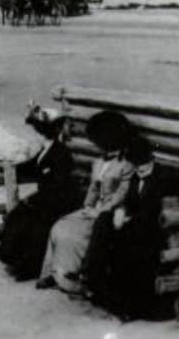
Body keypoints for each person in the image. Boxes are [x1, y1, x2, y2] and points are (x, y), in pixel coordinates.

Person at [37, 111, 134, 294]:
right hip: (94, 209)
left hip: (113, 212)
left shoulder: (126, 164)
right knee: (60, 225)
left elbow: (122, 193)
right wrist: (88, 206)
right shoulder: (98, 162)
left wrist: (100, 211)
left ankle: (75, 279)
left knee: (73, 236)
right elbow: (94, 188)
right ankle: (52, 272)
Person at [85, 134, 164, 319]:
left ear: (151, 159)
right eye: (137, 166)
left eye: (144, 165)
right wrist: (122, 211)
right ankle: (93, 277)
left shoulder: (160, 177)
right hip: (134, 223)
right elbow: (130, 201)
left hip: (152, 229)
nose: (140, 170)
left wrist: (129, 219)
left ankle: (127, 305)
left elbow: (154, 212)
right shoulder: (137, 176)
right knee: (104, 221)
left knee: (125, 246)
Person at [0, 106, 77, 281]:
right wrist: (9, 169)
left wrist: (37, 199)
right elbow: (32, 165)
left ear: (42, 134)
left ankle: (28, 269)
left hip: (60, 200)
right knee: (20, 214)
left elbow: (60, 184)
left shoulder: (61, 153)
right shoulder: (45, 150)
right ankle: (14, 261)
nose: (36, 135)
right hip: (47, 197)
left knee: (36, 223)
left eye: (38, 132)